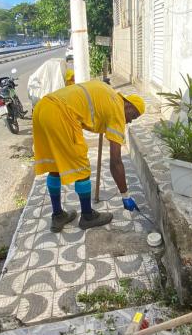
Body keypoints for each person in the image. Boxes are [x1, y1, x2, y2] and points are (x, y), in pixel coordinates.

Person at [33, 79, 145, 231]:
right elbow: (116, 162)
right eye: (134, 116)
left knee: (55, 166)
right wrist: (125, 196)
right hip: (61, 114)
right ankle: (87, 216)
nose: (130, 121)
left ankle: (58, 216)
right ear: (128, 104)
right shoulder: (118, 111)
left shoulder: (109, 94)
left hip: (42, 108)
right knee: (82, 169)